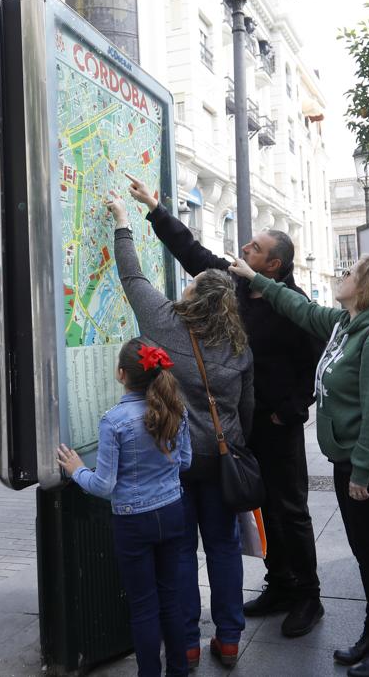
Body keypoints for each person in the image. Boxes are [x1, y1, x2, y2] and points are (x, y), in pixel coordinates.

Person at [125, 173, 326, 637]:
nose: (244, 251)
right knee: (257, 504)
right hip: (239, 425)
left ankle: (308, 596)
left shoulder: (292, 304)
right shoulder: (234, 286)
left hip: (277, 424)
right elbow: (193, 253)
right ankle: (278, 584)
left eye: (254, 249)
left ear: (273, 265)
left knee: (289, 509)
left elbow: (312, 366)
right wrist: (156, 210)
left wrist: (290, 411)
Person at [229, 253, 369, 677]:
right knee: (368, 555)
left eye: (350, 273)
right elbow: (300, 308)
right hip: (351, 457)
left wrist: (362, 469)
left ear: (367, 288)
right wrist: (257, 278)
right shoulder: (346, 325)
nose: (341, 275)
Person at [103, 193, 254, 668]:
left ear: (191, 295)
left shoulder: (165, 323)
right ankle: (229, 638)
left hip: (175, 457)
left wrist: (123, 221)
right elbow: (246, 408)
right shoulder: (238, 344)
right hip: (223, 459)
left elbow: (132, 277)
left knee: (182, 553)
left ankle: (187, 642)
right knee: (224, 546)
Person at [55, 337, 193, 677]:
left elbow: (104, 485)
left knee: (144, 606)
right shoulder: (177, 408)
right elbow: (185, 462)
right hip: (173, 511)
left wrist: (77, 470)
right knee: (171, 599)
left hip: (134, 522)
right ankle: (179, 670)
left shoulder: (114, 420)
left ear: (121, 374)